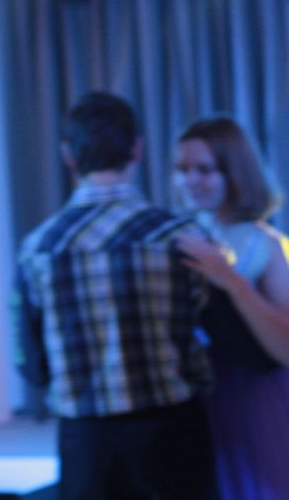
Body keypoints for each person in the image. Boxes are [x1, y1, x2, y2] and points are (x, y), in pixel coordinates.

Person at [13, 92, 216, 500]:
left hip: (86, 438)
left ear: (68, 155)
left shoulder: (39, 247)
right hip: (172, 427)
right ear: (137, 149)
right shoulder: (180, 236)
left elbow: (29, 358)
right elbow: (213, 327)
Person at [172, 116, 289, 500]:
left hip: (255, 401)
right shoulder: (179, 238)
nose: (190, 180)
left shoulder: (265, 244)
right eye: (182, 170)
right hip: (195, 404)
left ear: (234, 172)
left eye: (204, 169)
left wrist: (229, 279)